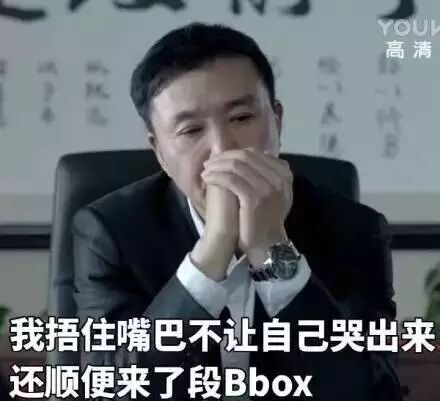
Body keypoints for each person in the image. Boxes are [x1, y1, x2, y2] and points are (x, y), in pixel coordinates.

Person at [73, 22, 401, 401]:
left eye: (242, 118)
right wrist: (212, 250)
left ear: (277, 121)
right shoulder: (111, 232)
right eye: (190, 130)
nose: (223, 148)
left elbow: (370, 392)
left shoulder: (354, 230)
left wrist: (272, 248)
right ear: (159, 151)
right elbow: (109, 389)